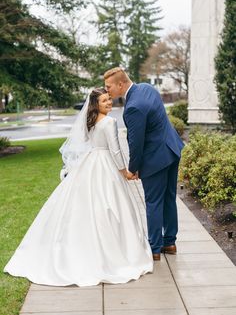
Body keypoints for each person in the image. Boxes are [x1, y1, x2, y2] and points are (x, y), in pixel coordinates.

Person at [4, 88, 153, 287]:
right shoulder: (110, 122)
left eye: (109, 99)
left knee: (86, 207)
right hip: (105, 164)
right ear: (96, 104)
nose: (109, 102)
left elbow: (86, 143)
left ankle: (82, 249)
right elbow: (115, 150)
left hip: (89, 163)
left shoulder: (89, 121)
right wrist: (124, 171)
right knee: (110, 206)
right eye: (104, 101)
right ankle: (115, 255)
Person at [104, 68, 185, 261]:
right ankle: (170, 242)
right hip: (172, 149)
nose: (107, 91)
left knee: (153, 202)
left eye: (109, 87)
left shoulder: (133, 107)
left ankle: (155, 247)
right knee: (168, 198)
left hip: (156, 158)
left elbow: (136, 142)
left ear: (120, 84)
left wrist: (133, 168)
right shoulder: (146, 88)